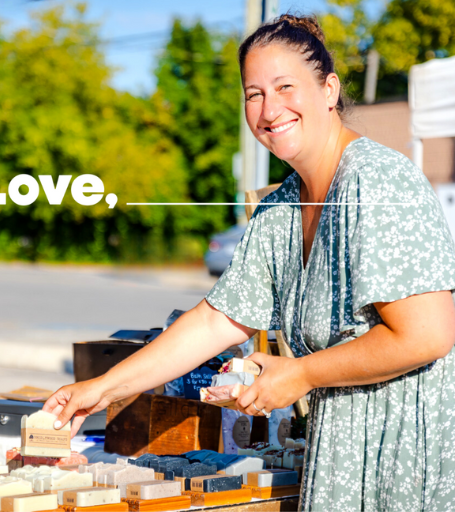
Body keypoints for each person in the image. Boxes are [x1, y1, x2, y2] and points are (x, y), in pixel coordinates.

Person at [44, 14, 455, 511]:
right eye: (253, 93)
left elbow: (427, 334)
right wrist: (101, 388)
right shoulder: (283, 206)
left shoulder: (377, 181)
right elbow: (218, 319)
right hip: (342, 457)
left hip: (404, 455)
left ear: (329, 89)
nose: (269, 108)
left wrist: (300, 374)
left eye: (285, 87)